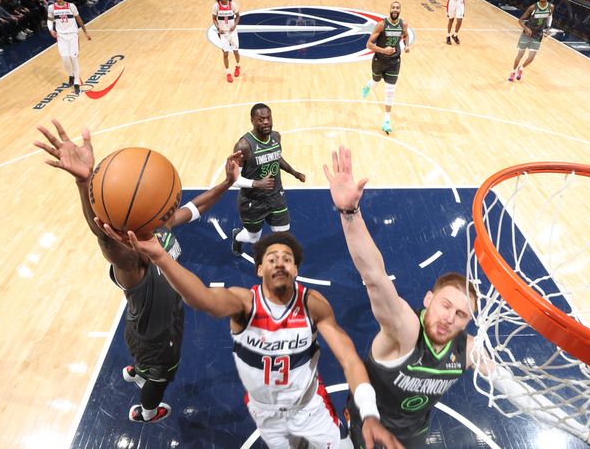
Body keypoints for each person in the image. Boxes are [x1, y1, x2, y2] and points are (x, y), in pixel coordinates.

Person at [323, 146, 590, 448]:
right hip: (367, 429)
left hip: (411, 437)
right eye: (445, 305)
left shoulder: (467, 350)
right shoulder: (404, 330)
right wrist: (350, 213)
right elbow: (374, 277)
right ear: (427, 300)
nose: (450, 317)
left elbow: (521, 395)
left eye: (461, 314)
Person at [99, 223, 404, 449]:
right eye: (271, 258)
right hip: (266, 414)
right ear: (258, 269)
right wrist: (162, 259)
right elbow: (203, 299)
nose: (279, 262)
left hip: (310, 408)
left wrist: (370, 413)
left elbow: (349, 359)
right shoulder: (244, 303)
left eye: (287, 258)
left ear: (296, 268)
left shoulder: (314, 304)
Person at [33, 119, 242, 424]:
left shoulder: (158, 227)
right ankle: (146, 411)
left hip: (146, 328)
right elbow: (104, 236)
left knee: (145, 358)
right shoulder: (132, 260)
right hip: (157, 339)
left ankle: (138, 369)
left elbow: (195, 208)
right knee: (160, 379)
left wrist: (226, 183)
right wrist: (84, 182)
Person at [230, 103, 305, 256]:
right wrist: (257, 183)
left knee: (283, 238)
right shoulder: (243, 145)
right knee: (253, 238)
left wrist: (294, 172)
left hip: (276, 197)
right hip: (253, 202)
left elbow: (277, 158)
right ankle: (237, 236)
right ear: (252, 120)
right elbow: (233, 178)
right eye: (261, 119)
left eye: (268, 118)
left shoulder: (276, 136)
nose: (266, 122)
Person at [360, 1, 410, 134]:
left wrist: (407, 45)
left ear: (400, 10)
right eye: (393, 7)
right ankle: (368, 85)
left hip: (394, 61)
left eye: (397, 8)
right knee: (375, 82)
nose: (395, 9)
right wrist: (383, 50)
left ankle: (386, 121)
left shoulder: (403, 24)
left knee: (390, 90)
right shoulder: (381, 25)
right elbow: (369, 44)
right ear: (389, 9)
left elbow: (405, 35)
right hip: (379, 60)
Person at [47, 0, 91, 93]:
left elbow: (79, 19)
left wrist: (85, 32)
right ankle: (71, 75)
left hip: (72, 35)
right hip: (61, 36)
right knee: (65, 58)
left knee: (73, 58)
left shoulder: (71, 6)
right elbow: (49, 20)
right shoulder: (51, 8)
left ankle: (76, 82)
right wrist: (51, 30)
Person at [509, 0, 554, 82]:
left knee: (531, 58)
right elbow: (520, 20)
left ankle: (521, 68)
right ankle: (513, 71)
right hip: (527, 34)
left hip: (538, 35)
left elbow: (550, 16)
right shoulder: (533, 7)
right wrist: (526, 28)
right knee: (520, 54)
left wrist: (548, 28)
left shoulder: (551, 7)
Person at [212, 0, 241, 83]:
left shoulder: (233, 4)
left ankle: (237, 66)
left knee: (236, 52)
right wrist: (218, 28)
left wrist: (235, 25)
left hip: (232, 32)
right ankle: (228, 73)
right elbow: (214, 19)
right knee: (225, 53)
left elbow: (238, 16)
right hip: (223, 33)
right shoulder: (216, 6)